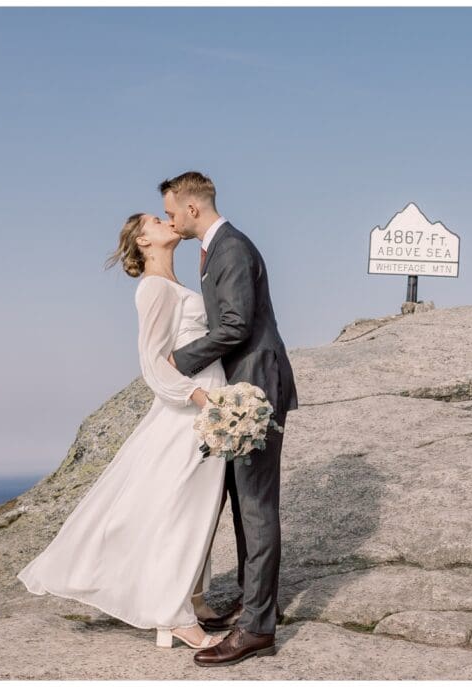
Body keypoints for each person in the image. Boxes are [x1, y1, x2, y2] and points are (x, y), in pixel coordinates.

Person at [16, 212, 228, 651]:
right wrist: (198, 398)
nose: (167, 220)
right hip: (189, 409)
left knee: (195, 505)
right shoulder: (153, 288)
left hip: (204, 402)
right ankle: (174, 617)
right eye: (155, 219)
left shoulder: (174, 284)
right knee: (181, 507)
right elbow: (152, 363)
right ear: (143, 240)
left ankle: (193, 598)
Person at [160, 171, 298, 667]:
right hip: (242, 386)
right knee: (244, 504)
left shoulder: (232, 248)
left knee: (256, 505)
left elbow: (237, 323)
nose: (171, 221)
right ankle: (255, 602)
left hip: (255, 388)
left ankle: (258, 628)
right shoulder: (215, 249)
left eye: (173, 211)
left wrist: (181, 360)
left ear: (193, 208)